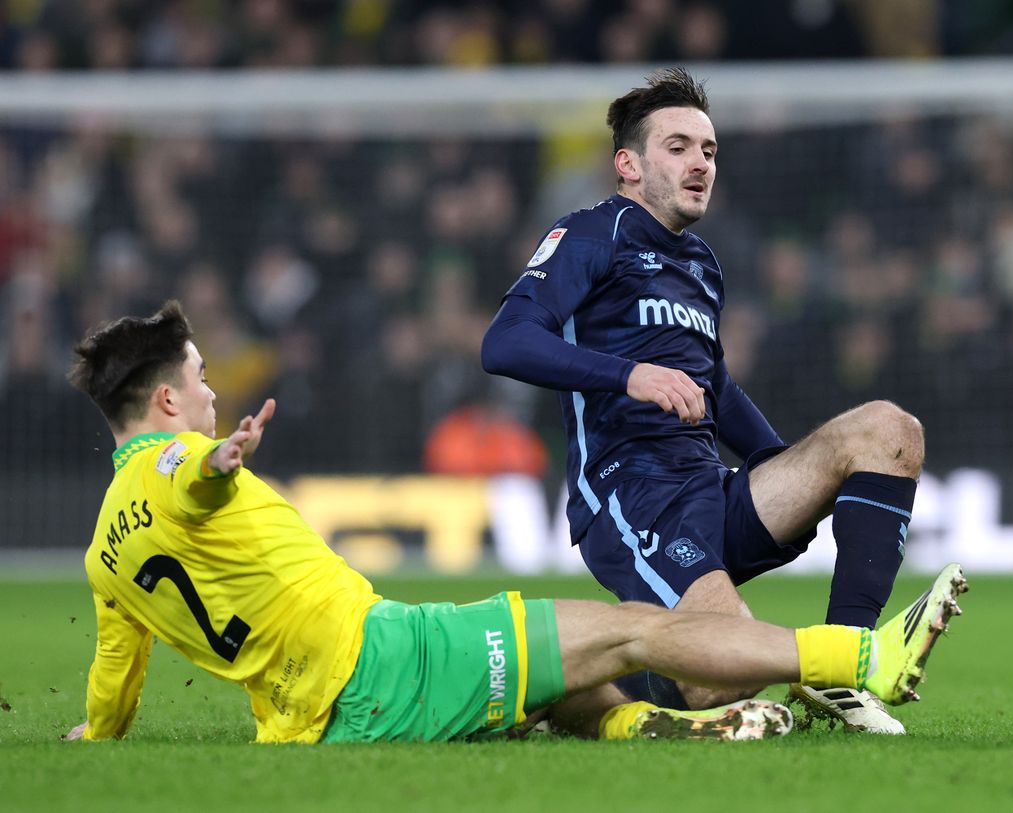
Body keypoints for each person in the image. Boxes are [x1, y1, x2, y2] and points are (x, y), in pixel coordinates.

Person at [64, 301, 966, 745]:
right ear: (168, 401)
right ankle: (863, 659)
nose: (212, 393)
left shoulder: (106, 546)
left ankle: (637, 728)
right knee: (634, 629)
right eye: (201, 378)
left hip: (313, 720)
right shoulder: (181, 464)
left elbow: (114, 676)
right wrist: (217, 461)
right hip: (387, 661)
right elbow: (185, 478)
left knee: (559, 663)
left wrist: (93, 735)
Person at [482, 67, 933, 734]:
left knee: (889, 431)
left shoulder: (701, 263)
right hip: (634, 494)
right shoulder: (591, 234)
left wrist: (782, 467)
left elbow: (714, 384)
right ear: (628, 165)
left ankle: (842, 667)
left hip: (710, 488)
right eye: (679, 147)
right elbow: (505, 342)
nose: (700, 163)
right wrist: (629, 375)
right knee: (730, 671)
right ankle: (568, 684)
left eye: (709, 150)